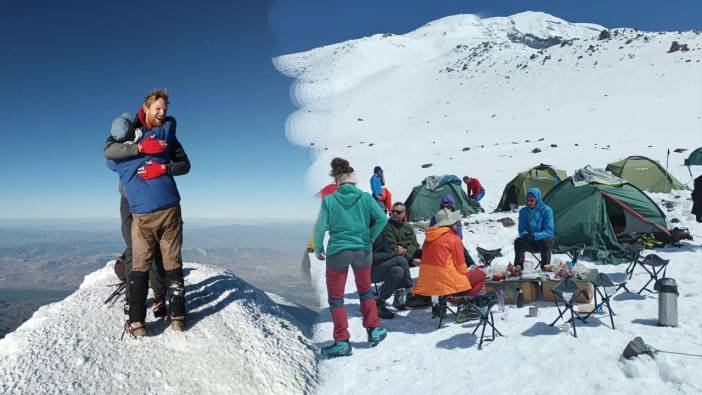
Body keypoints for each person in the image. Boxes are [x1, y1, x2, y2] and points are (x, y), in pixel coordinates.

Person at [107, 89, 187, 336]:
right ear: (146, 108)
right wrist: (141, 148)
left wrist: (164, 167)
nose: (163, 114)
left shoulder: (164, 135)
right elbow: (110, 148)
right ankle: (142, 304)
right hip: (134, 201)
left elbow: (184, 164)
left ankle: (157, 303)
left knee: (158, 260)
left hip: (151, 206)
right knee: (139, 253)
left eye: (165, 109)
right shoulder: (136, 129)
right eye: (158, 109)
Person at [313, 158, 388, 358]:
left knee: (336, 299)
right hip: (363, 251)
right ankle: (374, 331)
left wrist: (319, 247)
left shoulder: (330, 200)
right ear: (353, 180)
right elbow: (382, 218)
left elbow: (320, 226)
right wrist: (369, 236)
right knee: (365, 292)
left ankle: (342, 342)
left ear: (338, 180)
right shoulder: (365, 198)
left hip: (338, 252)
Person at [412, 208, 486, 312]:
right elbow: (461, 267)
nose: (457, 224)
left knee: (444, 274)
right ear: (450, 224)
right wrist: (469, 273)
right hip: (446, 286)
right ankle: (465, 307)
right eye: (456, 222)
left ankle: (441, 305)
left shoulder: (428, 238)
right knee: (481, 275)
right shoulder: (453, 238)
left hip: (428, 286)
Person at [371, 234, 412, 319]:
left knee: (398, 271)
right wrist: (393, 253)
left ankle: (379, 302)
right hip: (366, 271)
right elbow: (370, 257)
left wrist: (397, 251)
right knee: (400, 260)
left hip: (382, 266)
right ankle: (410, 293)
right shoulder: (364, 233)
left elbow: (388, 249)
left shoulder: (380, 232)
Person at [428, 194, 476, 267]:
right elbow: (431, 232)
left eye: (448, 207)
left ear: (452, 208)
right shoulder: (436, 218)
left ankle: (471, 265)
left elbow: (459, 236)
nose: (445, 209)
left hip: (451, 243)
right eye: (443, 207)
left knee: (460, 246)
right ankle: (468, 265)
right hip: (439, 243)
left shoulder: (455, 219)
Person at [514, 187, 554, 270]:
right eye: (528, 200)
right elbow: (522, 228)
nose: (529, 202)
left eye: (532, 200)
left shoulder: (546, 210)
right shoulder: (523, 211)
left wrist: (535, 235)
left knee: (547, 241)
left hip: (542, 242)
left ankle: (545, 269)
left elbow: (549, 231)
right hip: (530, 241)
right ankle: (518, 270)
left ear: (537, 199)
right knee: (518, 242)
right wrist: (525, 235)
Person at [383, 202, 421, 266]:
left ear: (404, 214)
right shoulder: (387, 227)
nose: (395, 214)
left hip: (410, 255)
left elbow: (415, 244)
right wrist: (411, 259)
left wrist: (413, 255)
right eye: (393, 211)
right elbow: (394, 247)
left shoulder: (408, 226)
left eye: (398, 212)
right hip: (397, 257)